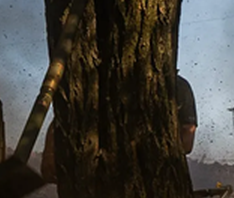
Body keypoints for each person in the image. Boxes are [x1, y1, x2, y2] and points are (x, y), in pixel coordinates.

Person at [40, 73, 197, 183]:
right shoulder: (99, 80)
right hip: (92, 177)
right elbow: (64, 119)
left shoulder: (178, 87)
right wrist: (49, 155)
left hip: (153, 183)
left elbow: (186, 142)